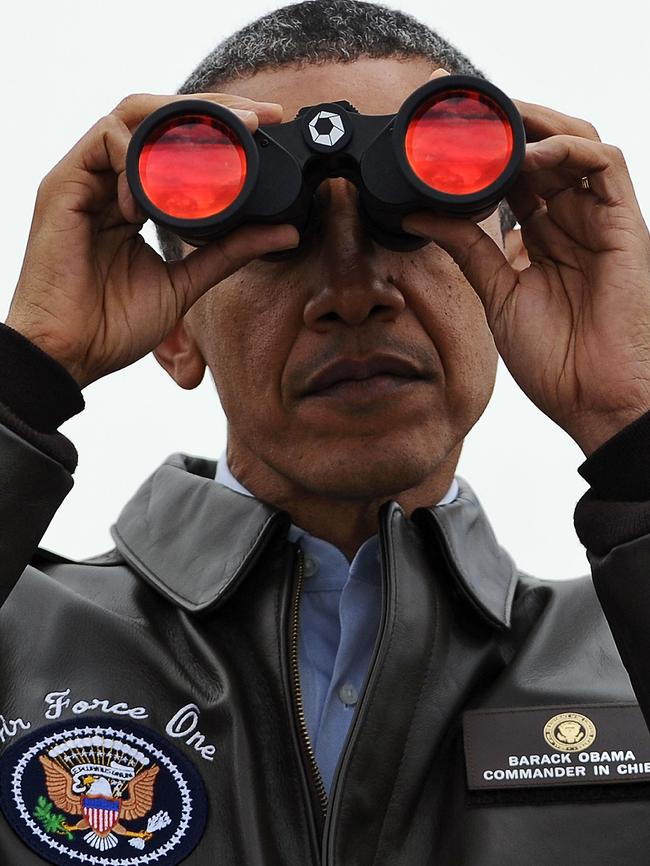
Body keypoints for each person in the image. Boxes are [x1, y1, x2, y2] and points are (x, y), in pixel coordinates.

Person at [1, 0, 650, 863]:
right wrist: (26, 373)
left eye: (413, 232)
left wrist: (632, 426)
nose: (352, 291)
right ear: (176, 329)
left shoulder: (624, 656)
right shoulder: (21, 634)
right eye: (275, 241)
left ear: (518, 275)